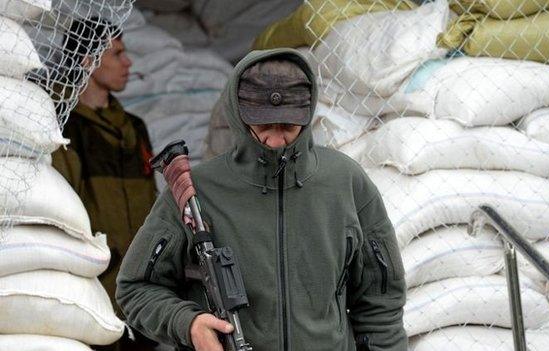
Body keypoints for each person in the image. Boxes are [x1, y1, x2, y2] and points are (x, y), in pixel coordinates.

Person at [116, 48, 406, 351]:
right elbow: (135, 288)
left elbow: (381, 305)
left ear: (307, 119)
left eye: (288, 126)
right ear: (239, 117)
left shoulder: (346, 183)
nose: (276, 140)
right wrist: (188, 324)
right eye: (264, 126)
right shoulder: (195, 192)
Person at [52, 18, 158, 351]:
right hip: (97, 287)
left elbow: (152, 200)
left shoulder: (134, 127)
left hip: (142, 290)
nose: (127, 63)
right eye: (117, 54)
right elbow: (61, 208)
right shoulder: (64, 126)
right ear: (87, 60)